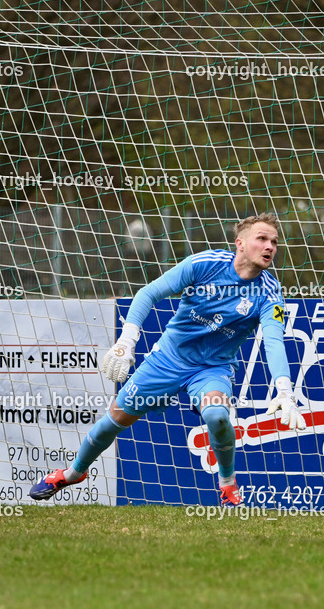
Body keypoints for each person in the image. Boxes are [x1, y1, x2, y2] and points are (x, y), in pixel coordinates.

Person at [29, 212, 305, 505]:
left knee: (217, 415)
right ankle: (73, 473)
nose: (270, 246)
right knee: (115, 419)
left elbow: (273, 342)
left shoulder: (270, 293)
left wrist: (284, 390)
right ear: (240, 243)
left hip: (212, 368)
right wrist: (127, 340)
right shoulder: (205, 264)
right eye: (262, 239)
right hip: (169, 360)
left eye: (274, 242)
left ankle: (227, 483)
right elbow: (149, 293)